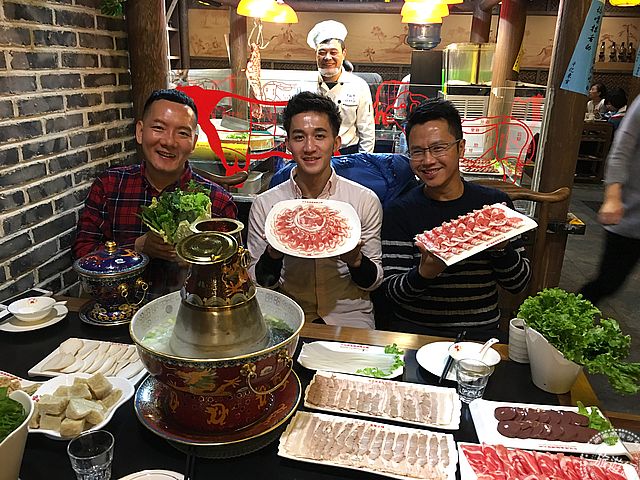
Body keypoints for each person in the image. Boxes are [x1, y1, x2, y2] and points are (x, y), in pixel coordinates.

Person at [377, 98, 531, 339]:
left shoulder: (494, 205)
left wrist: (501, 248)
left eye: (439, 148)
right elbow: (391, 292)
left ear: (461, 148)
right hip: (415, 332)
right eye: (417, 151)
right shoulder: (399, 210)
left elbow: (518, 283)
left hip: (480, 333)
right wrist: (424, 273)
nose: (428, 160)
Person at [73, 89, 237, 296]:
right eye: (159, 128)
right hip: (120, 307)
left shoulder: (218, 201)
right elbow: (82, 254)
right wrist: (136, 247)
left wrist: (197, 261)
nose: (169, 142)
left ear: (194, 142)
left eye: (182, 133)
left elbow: (233, 276)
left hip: (193, 310)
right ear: (140, 132)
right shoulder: (109, 185)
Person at [247, 91, 383, 328]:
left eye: (320, 136)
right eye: (299, 137)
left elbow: (374, 282)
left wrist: (356, 260)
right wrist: (273, 254)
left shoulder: (364, 201)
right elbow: (259, 284)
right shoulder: (266, 205)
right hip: (286, 314)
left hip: (350, 315)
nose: (309, 147)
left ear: (336, 143)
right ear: (288, 144)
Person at [579, 95, 640, 305]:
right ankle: (573, 311)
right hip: (631, 214)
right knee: (609, 282)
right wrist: (613, 197)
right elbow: (620, 151)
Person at [306, 20, 375, 155]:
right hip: (312, 152)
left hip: (348, 154)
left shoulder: (359, 86)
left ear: (343, 53)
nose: (327, 58)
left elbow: (367, 130)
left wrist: (363, 161)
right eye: (322, 52)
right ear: (316, 55)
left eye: (333, 52)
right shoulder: (304, 86)